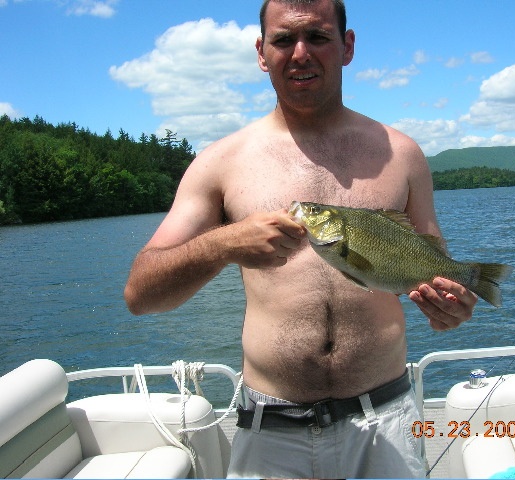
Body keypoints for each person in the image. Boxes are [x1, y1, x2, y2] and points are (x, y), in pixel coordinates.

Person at [124, 0, 477, 477]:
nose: (301, 53)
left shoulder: (402, 154)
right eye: (284, 39)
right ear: (261, 52)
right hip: (271, 432)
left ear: (347, 46)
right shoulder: (221, 161)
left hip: (386, 421)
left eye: (319, 37)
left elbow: (432, 270)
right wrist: (224, 244)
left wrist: (447, 308)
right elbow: (141, 294)